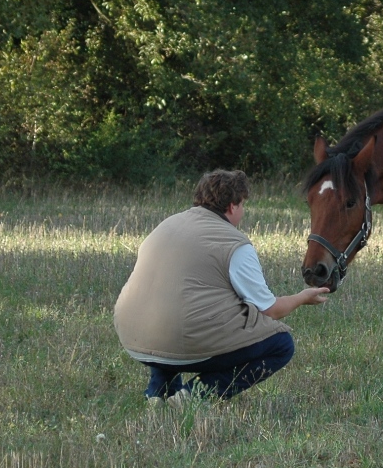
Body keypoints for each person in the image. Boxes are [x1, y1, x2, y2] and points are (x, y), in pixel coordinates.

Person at [114, 169, 329, 403]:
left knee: (176, 313)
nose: (243, 212)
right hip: (179, 340)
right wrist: (302, 297)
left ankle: (158, 393)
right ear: (232, 206)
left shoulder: (166, 226)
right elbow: (270, 310)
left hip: (133, 336)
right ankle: (194, 396)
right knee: (281, 345)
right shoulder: (234, 244)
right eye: (243, 205)